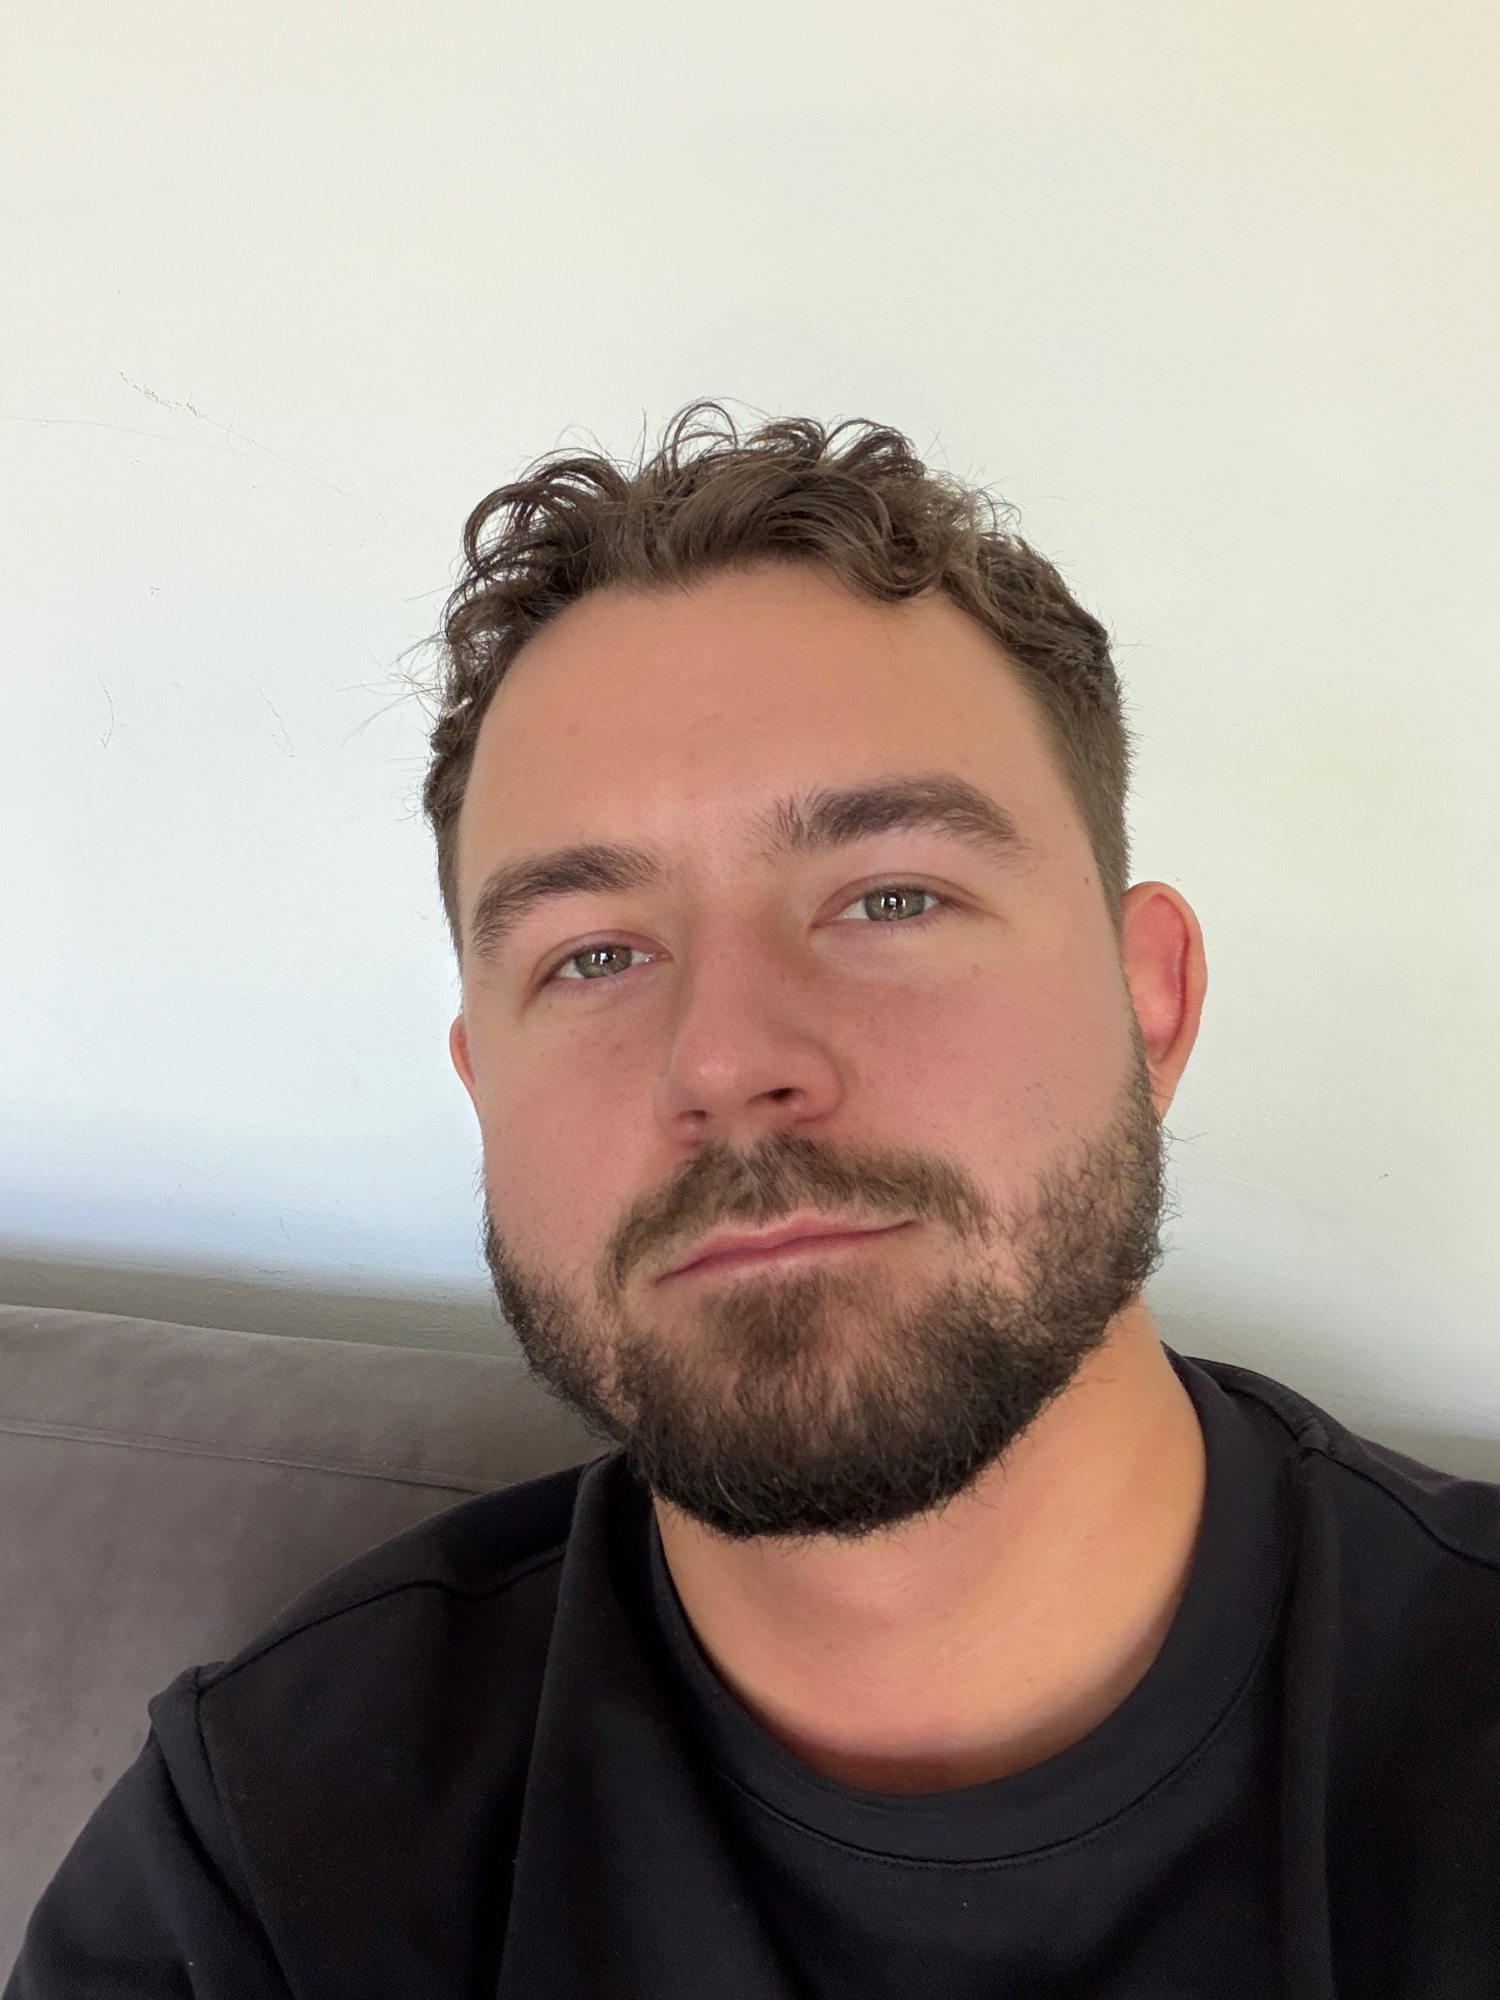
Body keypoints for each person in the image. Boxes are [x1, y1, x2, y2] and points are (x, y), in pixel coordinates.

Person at [11, 408, 1500, 2000]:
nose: (723, 1062)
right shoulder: (270, 1853)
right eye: (593, 955)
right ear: (482, 1093)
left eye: (890, 896)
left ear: (1151, 1003)